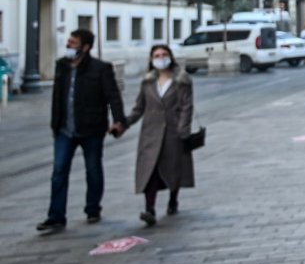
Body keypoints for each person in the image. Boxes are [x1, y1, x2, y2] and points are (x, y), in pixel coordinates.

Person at [38, 29, 126, 233]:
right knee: (59, 171)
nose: (69, 45)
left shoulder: (100, 68)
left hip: (91, 128)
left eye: (73, 43)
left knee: (93, 168)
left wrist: (118, 120)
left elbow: (113, 96)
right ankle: (56, 215)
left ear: (85, 47)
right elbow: (57, 96)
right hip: (64, 128)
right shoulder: (62, 66)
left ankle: (93, 208)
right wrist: (55, 123)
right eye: (69, 42)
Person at [123, 43, 195, 225]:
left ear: (170, 57)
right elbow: (139, 108)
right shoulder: (147, 82)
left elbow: (187, 106)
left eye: (164, 54)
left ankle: (173, 199)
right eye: (157, 55)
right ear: (151, 59)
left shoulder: (182, 80)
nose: (161, 58)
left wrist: (183, 128)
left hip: (173, 131)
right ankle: (150, 209)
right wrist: (124, 123)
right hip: (151, 133)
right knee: (150, 170)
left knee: (173, 168)